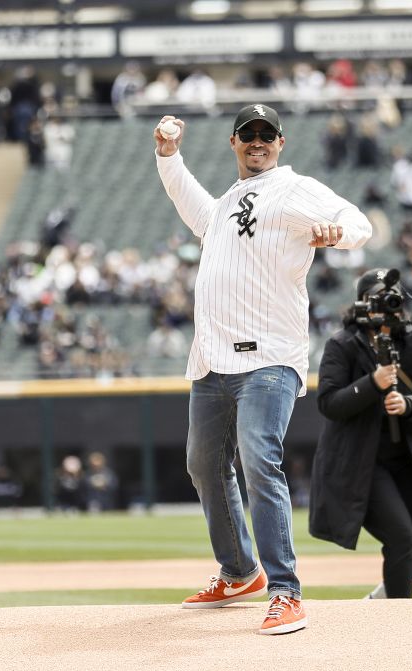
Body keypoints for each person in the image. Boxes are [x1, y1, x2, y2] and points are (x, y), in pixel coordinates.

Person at [154, 104, 372, 635]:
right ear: (233, 142)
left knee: (258, 460)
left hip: (270, 358)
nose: (258, 142)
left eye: (266, 135)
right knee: (204, 465)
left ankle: (285, 590)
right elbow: (194, 207)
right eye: (248, 135)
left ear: (281, 141)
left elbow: (358, 223)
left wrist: (335, 234)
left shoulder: (294, 188)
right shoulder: (228, 202)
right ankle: (239, 572)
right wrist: (168, 156)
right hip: (212, 359)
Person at [309, 269, 412, 599]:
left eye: (392, 300)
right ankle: (398, 622)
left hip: (402, 456)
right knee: (401, 537)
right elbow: (328, 402)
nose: (388, 308)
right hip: (360, 462)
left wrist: (408, 404)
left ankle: (382, 598)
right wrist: (371, 384)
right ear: (361, 304)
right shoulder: (342, 344)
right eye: (378, 300)